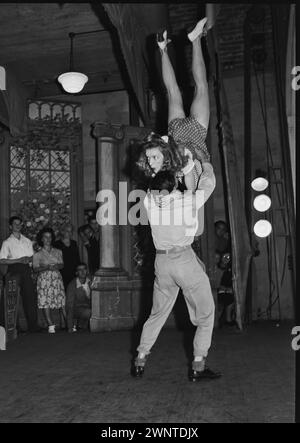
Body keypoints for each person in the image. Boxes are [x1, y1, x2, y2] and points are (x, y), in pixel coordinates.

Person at [132, 151, 221, 382]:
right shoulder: (186, 200)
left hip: (161, 263)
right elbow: (208, 183)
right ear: (174, 187)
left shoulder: (149, 201)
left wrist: (162, 168)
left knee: (157, 313)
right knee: (206, 314)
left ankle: (140, 358)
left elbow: (156, 181)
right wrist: (204, 162)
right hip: (183, 260)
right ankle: (198, 365)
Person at [156, 16, 213, 191]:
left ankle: (195, 40)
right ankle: (163, 48)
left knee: (201, 86)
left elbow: (204, 166)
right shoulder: (169, 171)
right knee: (172, 90)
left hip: (196, 133)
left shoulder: (193, 187)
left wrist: (205, 161)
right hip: (176, 133)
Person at [0, 216, 40, 332]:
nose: (18, 226)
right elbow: (1, 260)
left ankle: (33, 326)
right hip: (14, 269)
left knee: (30, 297)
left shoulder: (27, 240)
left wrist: (31, 260)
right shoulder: (7, 242)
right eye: (15, 224)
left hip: (26, 269)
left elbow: (32, 257)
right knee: (11, 298)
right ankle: (11, 327)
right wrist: (18, 260)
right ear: (10, 226)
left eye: (19, 224)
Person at [33, 227, 66, 334]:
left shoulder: (58, 251)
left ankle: (67, 322)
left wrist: (57, 266)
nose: (48, 239)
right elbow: (35, 268)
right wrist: (46, 267)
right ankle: (50, 324)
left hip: (56, 278)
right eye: (45, 237)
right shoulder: (37, 254)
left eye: (50, 237)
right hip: (44, 279)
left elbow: (62, 264)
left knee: (61, 299)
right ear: (41, 239)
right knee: (45, 301)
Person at [214, 220, 235, 327]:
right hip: (212, 271)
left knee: (225, 296)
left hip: (222, 272)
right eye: (219, 228)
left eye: (223, 229)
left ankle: (225, 320)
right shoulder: (211, 240)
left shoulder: (225, 241)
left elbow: (224, 259)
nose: (221, 231)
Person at [66, 262, 91, 333]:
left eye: (84, 269)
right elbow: (69, 306)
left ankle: (82, 324)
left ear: (87, 271)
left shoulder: (91, 281)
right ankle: (78, 323)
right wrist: (70, 327)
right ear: (76, 273)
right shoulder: (72, 285)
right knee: (90, 312)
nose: (82, 272)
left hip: (88, 307)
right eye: (80, 270)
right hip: (76, 309)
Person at [54, 224, 80, 290]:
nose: (70, 233)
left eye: (71, 231)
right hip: (62, 271)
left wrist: (78, 270)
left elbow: (77, 258)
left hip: (73, 271)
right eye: (67, 231)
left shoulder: (74, 243)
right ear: (62, 232)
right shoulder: (57, 244)